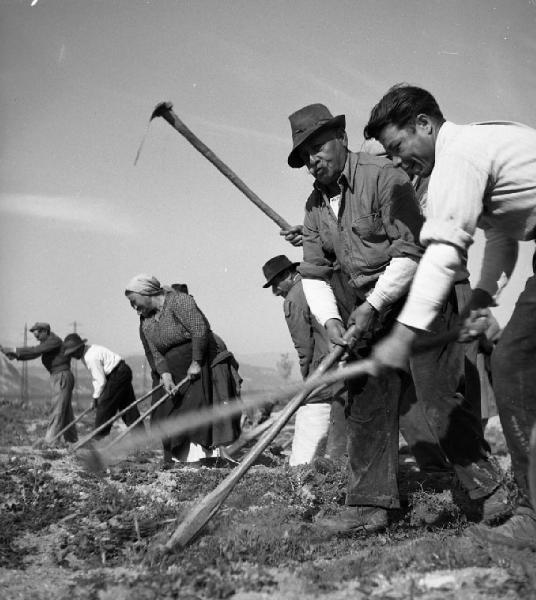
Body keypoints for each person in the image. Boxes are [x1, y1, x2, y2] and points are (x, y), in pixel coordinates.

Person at [286, 102, 505, 534]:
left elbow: (410, 250)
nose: (313, 159)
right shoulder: (314, 207)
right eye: (305, 154)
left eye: (318, 147)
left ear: (341, 139)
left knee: (438, 395)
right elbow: (312, 273)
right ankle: (369, 505)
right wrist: (332, 322)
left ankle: (490, 491)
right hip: (370, 304)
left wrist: (372, 306)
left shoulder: (383, 176)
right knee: (364, 397)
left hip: (419, 293)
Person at [364, 83, 536, 548]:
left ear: (425, 124)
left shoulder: (457, 158)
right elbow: (503, 235)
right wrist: (481, 298)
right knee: (513, 362)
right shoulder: (471, 151)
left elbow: (442, 252)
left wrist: (403, 333)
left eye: (398, 147)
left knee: (515, 364)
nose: (398, 161)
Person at [125, 274, 240, 464]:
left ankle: (204, 460)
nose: (134, 307)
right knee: (164, 413)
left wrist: (196, 362)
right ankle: (177, 461)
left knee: (193, 410)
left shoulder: (178, 301)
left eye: (134, 301)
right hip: (170, 371)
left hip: (194, 364)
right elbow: (153, 351)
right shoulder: (145, 321)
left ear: (147, 292)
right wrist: (165, 374)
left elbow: (199, 330)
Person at [262, 254, 346, 464]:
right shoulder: (321, 285)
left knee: (313, 412)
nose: (275, 291)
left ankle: (301, 469)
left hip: (325, 368)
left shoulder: (293, 299)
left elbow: (304, 347)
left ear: (289, 274)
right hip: (345, 363)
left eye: (276, 284)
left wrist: (308, 379)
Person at [1, 322, 77, 444]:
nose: (36, 337)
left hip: (62, 376)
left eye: (38, 334)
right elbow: (34, 354)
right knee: (65, 411)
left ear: (45, 331)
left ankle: (50, 441)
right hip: (59, 376)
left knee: (57, 409)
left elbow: (35, 350)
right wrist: (15, 355)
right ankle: (72, 440)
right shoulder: (46, 343)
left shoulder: (54, 340)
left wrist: (14, 350)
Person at [62, 333, 144, 440]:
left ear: (79, 348)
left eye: (73, 353)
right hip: (122, 371)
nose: (72, 356)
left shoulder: (90, 357)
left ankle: (98, 439)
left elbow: (100, 381)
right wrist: (95, 398)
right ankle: (142, 438)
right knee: (127, 407)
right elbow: (98, 378)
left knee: (105, 405)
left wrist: (96, 398)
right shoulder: (89, 351)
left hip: (117, 374)